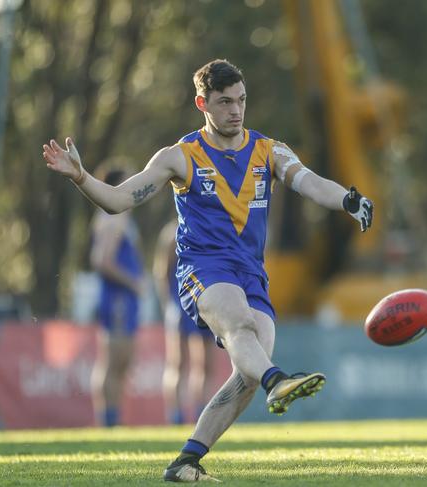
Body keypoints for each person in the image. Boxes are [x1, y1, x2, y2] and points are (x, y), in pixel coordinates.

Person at [42, 59, 373, 481]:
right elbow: (119, 200)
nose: (235, 111)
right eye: (224, 102)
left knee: (248, 368)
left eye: (241, 101)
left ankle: (186, 461)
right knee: (239, 327)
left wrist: (348, 199)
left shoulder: (269, 150)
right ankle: (278, 380)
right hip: (204, 269)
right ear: (202, 103)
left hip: (252, 274)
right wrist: (80, 177)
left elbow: (309, 182)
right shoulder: (180, 157)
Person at [89, 167, 144, 427]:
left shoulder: (121, 218)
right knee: (112, 362)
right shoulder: (113, 218)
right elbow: (102, 260)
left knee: (121, 363)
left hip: (125, 298)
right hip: (118, 298)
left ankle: (113, 418)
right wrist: (132, 283)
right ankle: (108, 422)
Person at [154, 218, 214, 425]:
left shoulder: (206, 230)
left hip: (204, 301)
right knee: (178, 363)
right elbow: (162, 272)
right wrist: (168, 306)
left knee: (205, 364)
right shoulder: (172, 232)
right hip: (180, 304)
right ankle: (176, 415)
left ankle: (201, 414)